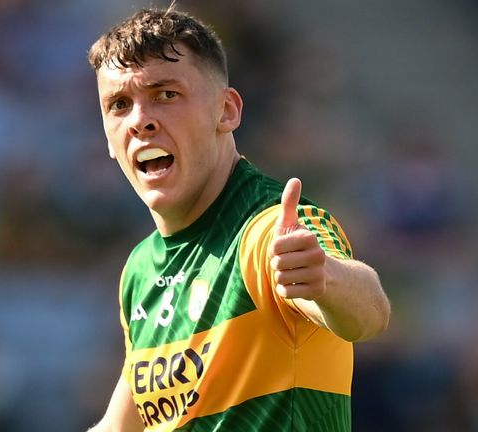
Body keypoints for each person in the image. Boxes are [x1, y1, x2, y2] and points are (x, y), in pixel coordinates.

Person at [86, 6, 390, 431]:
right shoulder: (140, 268)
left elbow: (370, 312)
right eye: (119, 104)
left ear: (226, 111)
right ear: (108, 139)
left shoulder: (268, 230)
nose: (140, 121)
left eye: (166, 95)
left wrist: (324, 278)